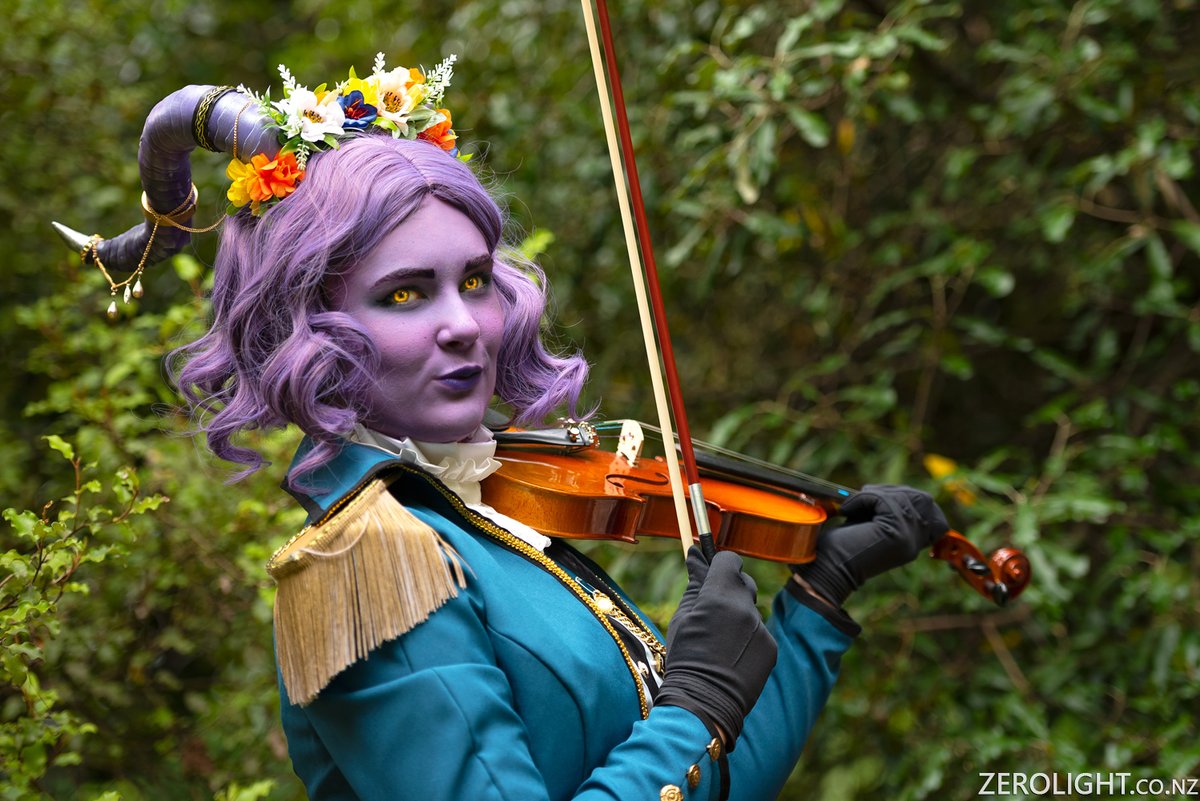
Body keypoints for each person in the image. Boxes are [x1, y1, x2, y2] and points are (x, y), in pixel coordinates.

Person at [55, 56, 949, 801]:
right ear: (310, 328)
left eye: (475, 280)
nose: (465, 325)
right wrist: (693, 709)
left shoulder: (483, 519)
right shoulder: (368, 566)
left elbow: (711, 779)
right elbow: (681, 745)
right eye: (405, 293)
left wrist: (816, 604)